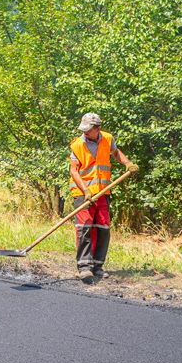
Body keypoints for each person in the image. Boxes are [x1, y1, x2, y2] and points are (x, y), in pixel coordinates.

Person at [68, 113, 137, 282]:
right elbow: (74, 171)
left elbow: (116, 152)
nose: (85, 133)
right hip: (83, 194)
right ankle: (84, 267)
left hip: (102, 192)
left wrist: (127, 163)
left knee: (103, 228)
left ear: (97, 128)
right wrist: (86, 191)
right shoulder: (77, 145)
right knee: (84, 228)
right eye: (83, 129)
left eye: (88, 130)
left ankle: (97, 266)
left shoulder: (107, 138)